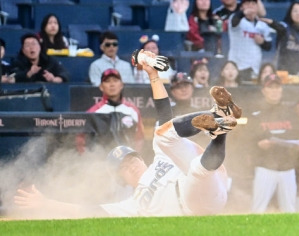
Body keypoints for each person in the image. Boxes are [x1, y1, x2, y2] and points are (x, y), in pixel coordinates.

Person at [14, 51, 240, 218]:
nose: (129, 164)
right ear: (121, 178)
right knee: (195, 168)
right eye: (123, 166)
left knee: (164, 136)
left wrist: (153, 74)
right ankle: (219, 128)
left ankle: (219, 120)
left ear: (140, 158)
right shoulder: (131, 203)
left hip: (211, 182)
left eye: (131, 158)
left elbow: (163, 111)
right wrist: (46, 203)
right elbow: (88, 211)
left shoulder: (160, 158)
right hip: (193, 207)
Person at [247, 74, 299, 213]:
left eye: (277, 87)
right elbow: (247, 142)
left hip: (287, 168)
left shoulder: (291, 113)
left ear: (281, 90)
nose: (274, 90)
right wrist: (258, 145)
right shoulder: (256, 115)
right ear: (264, 90)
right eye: (270, 87)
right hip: (265, 168)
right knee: (258, 210)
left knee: (290, 210)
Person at [79, 68, 145, 154]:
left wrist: (134, 157)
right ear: (101, 87)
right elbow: (81, 140)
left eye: (115, 80)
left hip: (127, 161)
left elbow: (139, 138)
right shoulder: (93, 112)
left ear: (121, 85)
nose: (112, 84)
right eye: (107, 81)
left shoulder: (133, 110)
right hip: (101, 162)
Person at [227, 0, 273, 82]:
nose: (250, 6)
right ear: (241, 7)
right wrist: (243, 13)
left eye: (253, 4)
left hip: (255, 67)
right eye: (247, 4)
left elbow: (268, 46)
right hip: (238, 67)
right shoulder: (237, 19)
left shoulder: (262, 24)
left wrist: (262, 42)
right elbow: (234, 21)